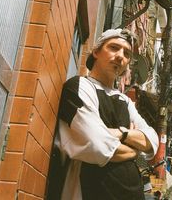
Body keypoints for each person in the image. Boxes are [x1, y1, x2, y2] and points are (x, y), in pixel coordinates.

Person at [49, 28, 159, 200]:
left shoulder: (125, 100)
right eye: (114, 47)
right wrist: (134, 150)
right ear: (96, 51)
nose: (120, 56)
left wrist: (121, 133)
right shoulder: (80, 86)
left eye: (127, 53)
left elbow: (152, 139)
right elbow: (97, 144)